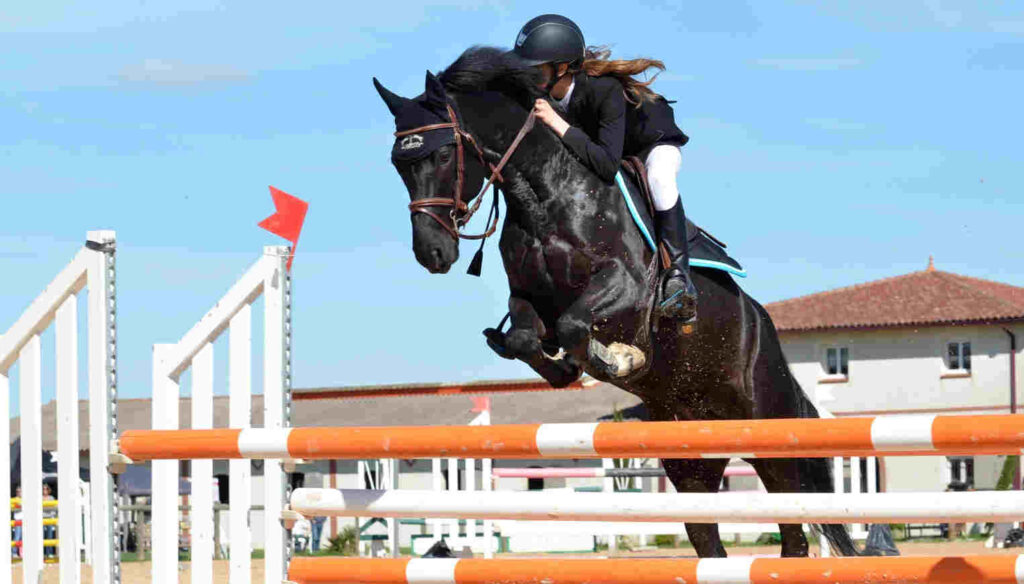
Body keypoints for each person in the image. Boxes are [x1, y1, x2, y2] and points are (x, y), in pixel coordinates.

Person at [512, 14, 697, 322]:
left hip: (651, 143)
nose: (529, 77)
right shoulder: (547, 95)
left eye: (535, 70)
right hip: (607, 147)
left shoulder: (604, 89)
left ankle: (679, 277)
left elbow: (607, 165)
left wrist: (556, 123)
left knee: (659, 178)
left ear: (561, 68)